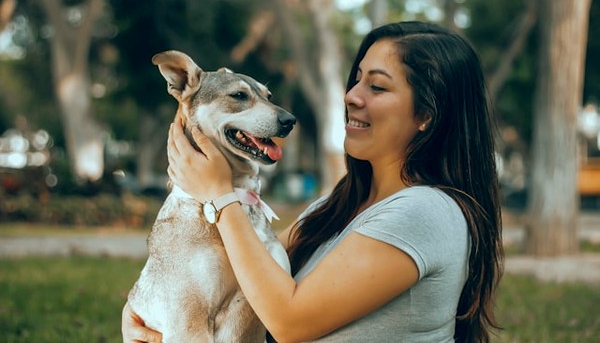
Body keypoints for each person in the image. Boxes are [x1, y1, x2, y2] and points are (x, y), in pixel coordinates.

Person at [122, 21, 504, 343]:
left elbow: (289, 321)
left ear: (427, 114)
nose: (352, 97)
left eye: (377, 86)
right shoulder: (333, 207)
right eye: (356, 81)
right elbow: (240, 270)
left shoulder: (426, 212)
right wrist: (140, 311)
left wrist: (220, 194)